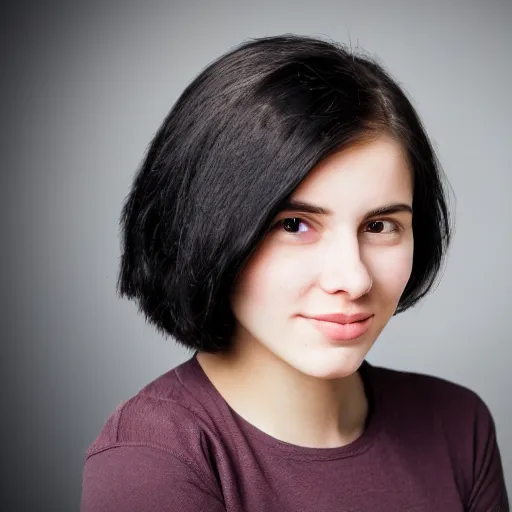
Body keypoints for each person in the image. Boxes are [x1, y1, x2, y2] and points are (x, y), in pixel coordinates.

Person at [80, 34, 509, 511]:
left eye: (380, 225)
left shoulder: (457, 425)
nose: (354, 278)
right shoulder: (156, 459)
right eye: (295, 225)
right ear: (209, 228)